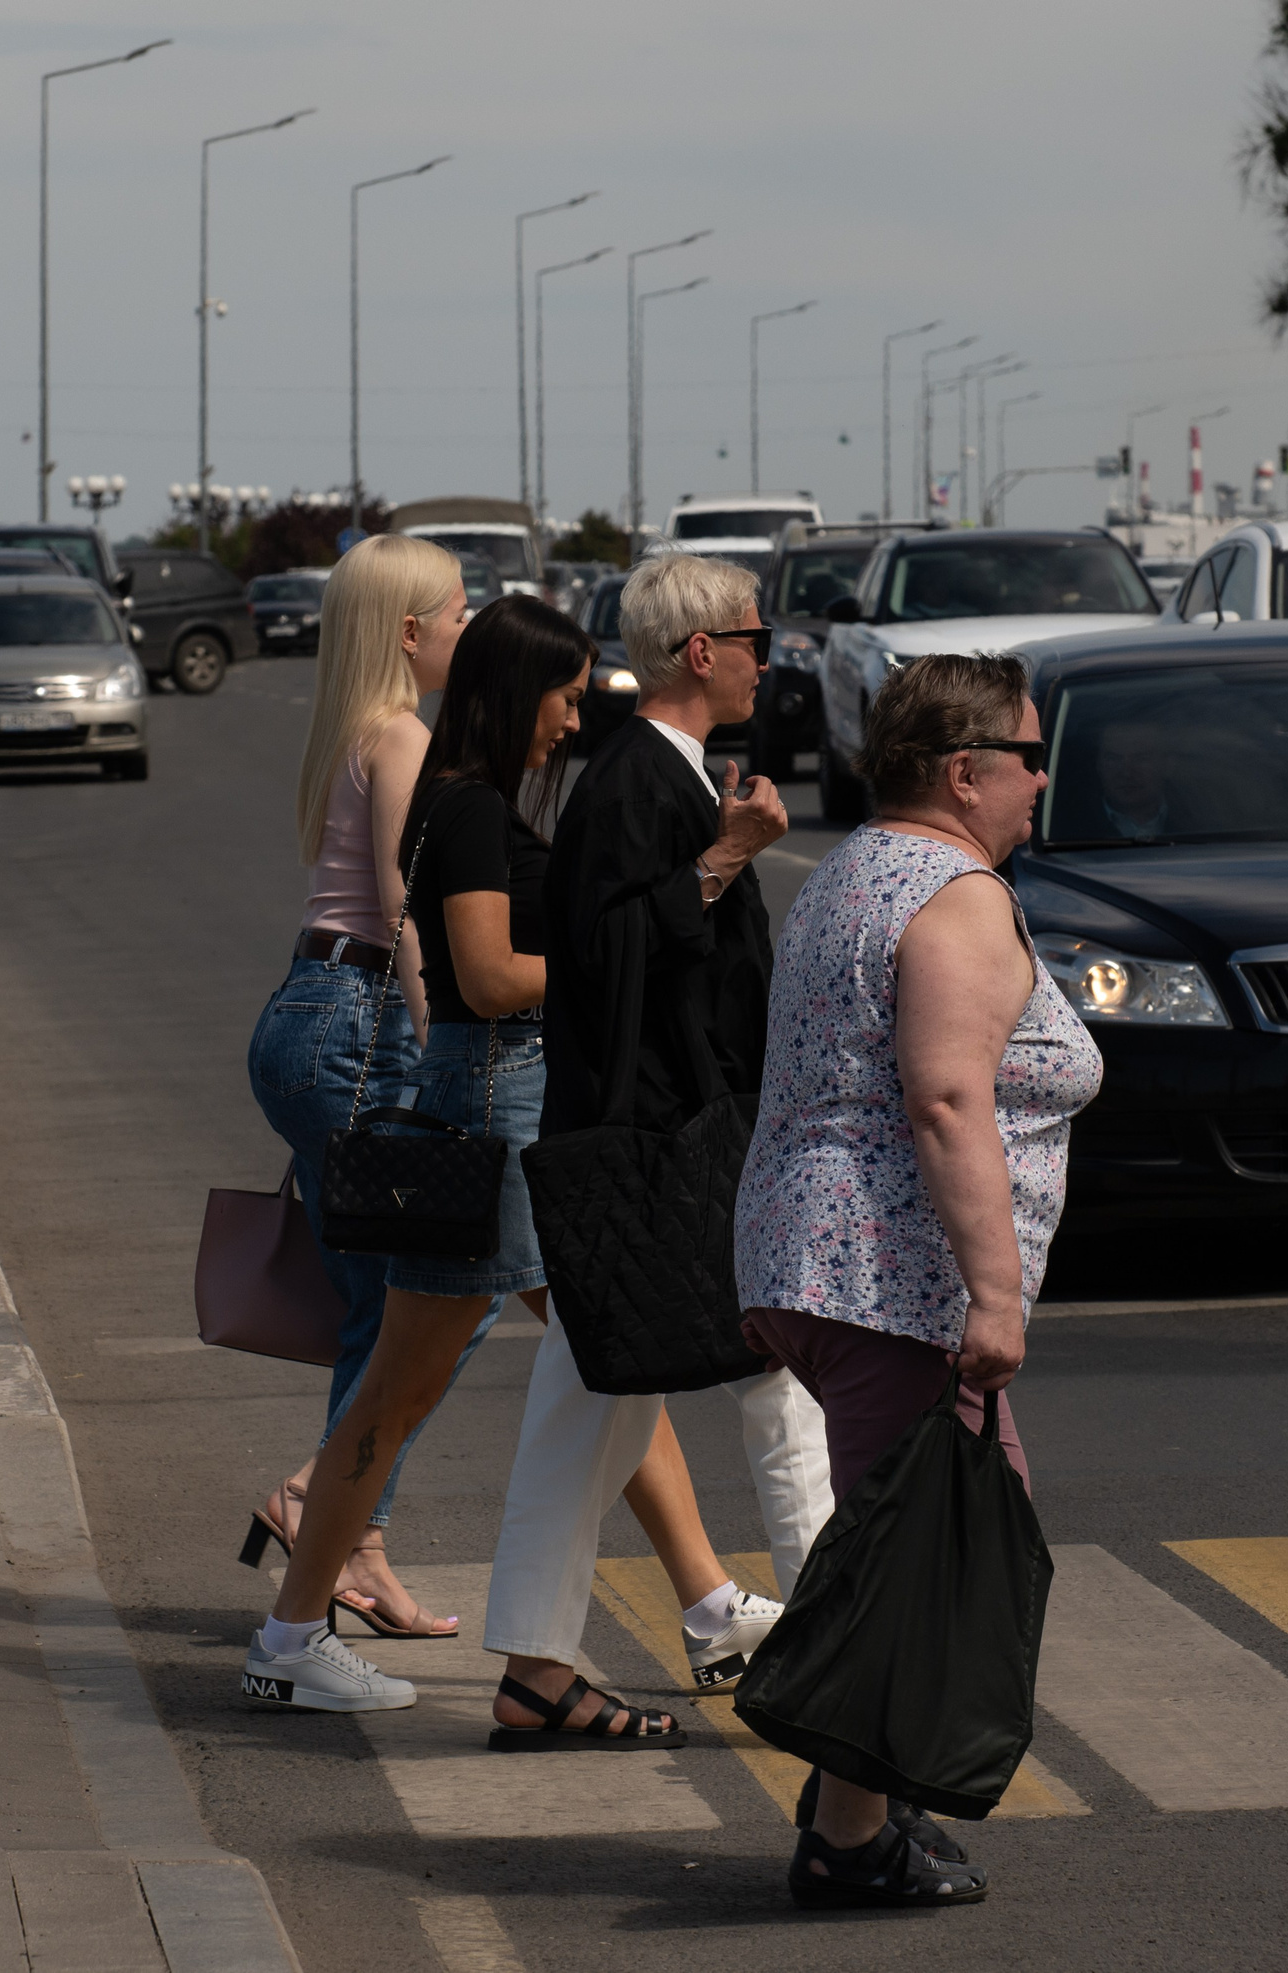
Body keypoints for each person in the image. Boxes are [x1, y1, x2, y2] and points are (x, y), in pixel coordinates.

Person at [737, 652, 1104, 1910]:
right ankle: (846, 1838)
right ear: (963, 770)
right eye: (1027, 755)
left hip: (820, 1261)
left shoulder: (854, 867)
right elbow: (947, 1097)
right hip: (884, 1278)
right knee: (924, 1562)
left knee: (916, 1540)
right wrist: (993, 1297)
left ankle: (862, 1801)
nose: (1040, 778)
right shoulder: (952, 894)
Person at [481, 550, 838, 1746]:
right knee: (779, 1378)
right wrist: (725, 857)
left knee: (590, 1408)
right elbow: (602, 959)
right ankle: (843, 1649)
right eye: (754, 640)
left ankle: (535, 1665)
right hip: (660, 1152)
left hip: (659, 1146)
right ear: (701, 650)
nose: (765, 661)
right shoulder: (638, 781)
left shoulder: (664, 774)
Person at [241, 596, 595, 1712]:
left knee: (580, 1350)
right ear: (519, 691)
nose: (573, 722)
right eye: (565, 697)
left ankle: (681, 1606)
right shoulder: (471, 805)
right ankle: (295, 1638)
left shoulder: (464, 795)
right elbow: (486, 980)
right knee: (404, 1386)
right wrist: (609, 961)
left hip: (490, 1097)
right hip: (490, 1101)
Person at [242, 533, 478, 1638]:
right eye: (461, 610)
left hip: (310, 1013)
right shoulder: (402, 736)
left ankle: (356, 1543)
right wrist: (446, 1048)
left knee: (384, 1304)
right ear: (411, 630)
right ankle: (322, 1500)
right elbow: (403, 909)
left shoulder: (353, 729)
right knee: (446, 1282)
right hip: (361, 1025)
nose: (471, 628)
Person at [1095, 719, 1174, 838]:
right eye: (1113, 758)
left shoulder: (1197, 821)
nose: (1126, 773)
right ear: (1098, 765)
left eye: (1141, 759)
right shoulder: (1068, 827)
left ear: (1167, 765)